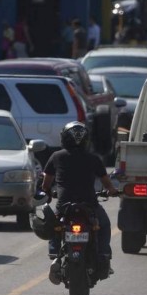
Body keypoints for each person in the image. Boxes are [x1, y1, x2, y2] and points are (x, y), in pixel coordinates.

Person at [41, 121, 118, 284]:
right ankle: (103, 255)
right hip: (89, 205)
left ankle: (55, 255)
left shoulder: (56, 156)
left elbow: (46, 184)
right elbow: (107, 183)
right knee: (104, 225)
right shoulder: (93, 159)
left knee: (54, 226)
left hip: (64, 206)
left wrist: (48, 193)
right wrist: (112, 191)